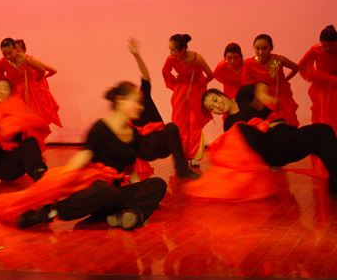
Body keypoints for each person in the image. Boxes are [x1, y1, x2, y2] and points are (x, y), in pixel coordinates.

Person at [15, 81, 167, 230]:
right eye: (136, 102)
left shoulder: (134, 134)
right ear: (120, 101)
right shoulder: (100, 128)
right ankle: (49, 213)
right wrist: (59, 180)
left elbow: (131, 171)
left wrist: (143, 193)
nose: (140, 107)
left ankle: (129, 215)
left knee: (158, 184)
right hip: (95, 191)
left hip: (113, 194)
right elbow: (82, 158)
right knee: (107, 191)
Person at [198, 84, 337, 198]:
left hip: (287, 135)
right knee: (238, 128)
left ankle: (335, 183)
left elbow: (260, 85)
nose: (217, 106)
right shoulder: (229, 125)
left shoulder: (242, 96)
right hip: (271, 149)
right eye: (212, 108)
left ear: (221, 94)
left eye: (215, 100)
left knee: (323, 130)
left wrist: (261, 93)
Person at [127, 38, 199, 178]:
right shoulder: (128, 113)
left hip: (160, 143)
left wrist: (137, 55)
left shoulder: (144, 98)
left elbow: (146, 76)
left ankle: (182, 169)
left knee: (171, 127)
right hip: (145, 148)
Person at [162, 34, 214, 165]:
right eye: (170, 49)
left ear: (183, 49)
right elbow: (166, 72)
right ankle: (181, 155)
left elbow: (210, 75)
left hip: (196, 90)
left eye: (173, 50)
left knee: (194, 123)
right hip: (181, 91)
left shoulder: (197, 58)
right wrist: (176, 84)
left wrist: (200, 85)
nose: (171, 52)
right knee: (179, 122)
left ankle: (194, 155)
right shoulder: (171, 59)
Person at [0, 37, 62, 127]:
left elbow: (44, 71)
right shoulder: (1, 62)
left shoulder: (27, 59)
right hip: (14, 90)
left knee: (31, 116)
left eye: (10, 53)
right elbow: (0, 77)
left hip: (28, 90)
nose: (8, 56)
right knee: (13, 116)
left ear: (17, 50)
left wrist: (37, 82)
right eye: (4, 54)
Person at [241, 34, 299, 126]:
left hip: (281, 97)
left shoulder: (279, 59)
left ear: (271, 48)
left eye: (264, 48)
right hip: (263, 99)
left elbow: (296, 68)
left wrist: (285, 80)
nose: (261, 52)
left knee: (288, 121)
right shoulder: (249, 63)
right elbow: (246, 83)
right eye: (257, 49)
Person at [298, 25, 337, 134]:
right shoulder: (315, 50)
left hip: (335, 85)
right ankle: (321, 137)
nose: (328, 49)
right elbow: (302, 65)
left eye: (332, 46)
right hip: (321, 87)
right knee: (318, 112)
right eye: (325, 46)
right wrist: (313, 75)